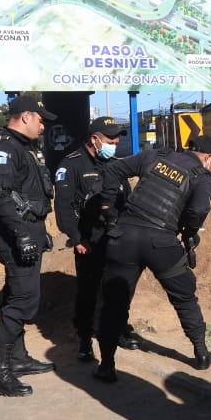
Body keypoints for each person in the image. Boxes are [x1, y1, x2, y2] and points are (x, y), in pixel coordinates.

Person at [94, 136, 211, 383]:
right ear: (208, 158)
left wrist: (108, 208)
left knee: (114, 304)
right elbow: (198, 210)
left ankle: (106, 365)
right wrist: (189, 232)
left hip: (124, 239)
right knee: (184, 298)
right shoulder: (201, 177)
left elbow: (114, 169)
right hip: (161, 244)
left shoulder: (156, 156)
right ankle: (202, 354)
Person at [0, 94, 59, 398]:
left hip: (28, 231)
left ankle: (18, 357)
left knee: (16, 295)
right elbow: (0, 195)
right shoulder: (3, 148)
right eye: (41, 120)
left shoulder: (22, 147)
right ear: (26, 116)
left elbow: (28, 195)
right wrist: (22, 235)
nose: (43, 126)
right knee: (23, 301)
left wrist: (39, 231)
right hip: (16, 236)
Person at [52, 116, 142, 365]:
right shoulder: (71, 165)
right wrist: (76, 238)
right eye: (110, 140)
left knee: (118, 289)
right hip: (88, 240)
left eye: (116, 139)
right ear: (95, 139)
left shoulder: (116, 165)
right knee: (88, 292)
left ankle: (117, 330)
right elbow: (63, 208)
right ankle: (84, 339)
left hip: (115, 238)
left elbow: (127, 202)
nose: (115, 143)